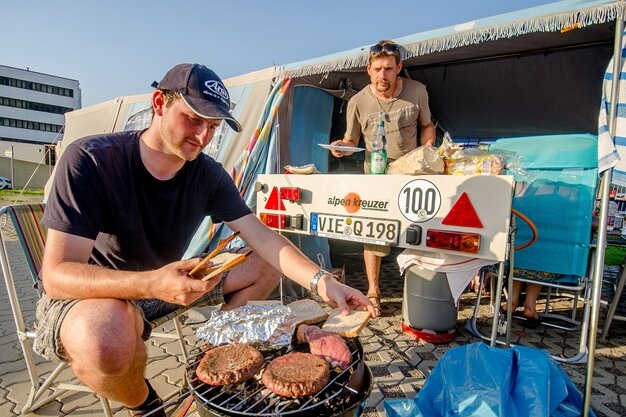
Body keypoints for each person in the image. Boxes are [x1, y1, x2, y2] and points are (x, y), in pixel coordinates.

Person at [35, 63, 377, 417]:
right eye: (193, 119)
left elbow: (261, 237)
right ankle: (146, 405)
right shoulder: (91, 159)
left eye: (212, 127)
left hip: (163, 285)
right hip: (93, 297)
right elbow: (57, 276)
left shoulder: (206, 173)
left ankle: (220, 357)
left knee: (262, 265)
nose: (202, 137)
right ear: (159, 103)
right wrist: (151, 282)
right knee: (106, 340)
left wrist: (324, 284)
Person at [329, 40, 436, 314]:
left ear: (399, 67)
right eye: (377, 69)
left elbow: (426, 125)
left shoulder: (417, 92)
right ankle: (374, 291)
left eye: (389, 69)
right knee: (375, 231)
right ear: (368, 69)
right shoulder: (357, 101)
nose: (383, 76)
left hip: (412, 172)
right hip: (376, 174)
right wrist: (342, 149)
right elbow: (352, 140)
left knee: (421, 230)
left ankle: (424, 288)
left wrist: (428, 149)